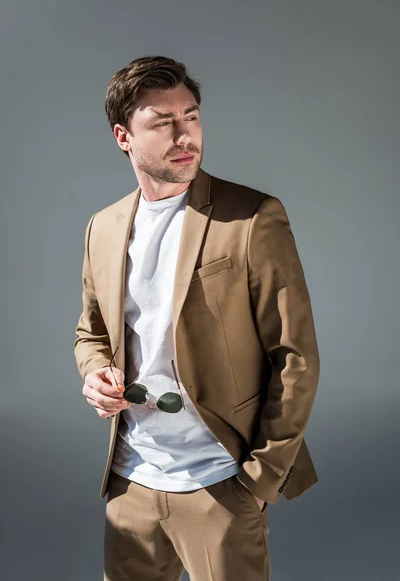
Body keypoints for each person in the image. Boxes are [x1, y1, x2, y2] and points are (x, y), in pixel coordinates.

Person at [74, 55, 320, 581]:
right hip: (130, 481)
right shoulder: (104, 226)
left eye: (190, 116)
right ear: (124, 136)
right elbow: (91, 330)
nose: (184, 134)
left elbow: (295, 356)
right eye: (162, 123)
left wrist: (258, 478)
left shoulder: (253, 217)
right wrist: (94, 372)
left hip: (222, 483)